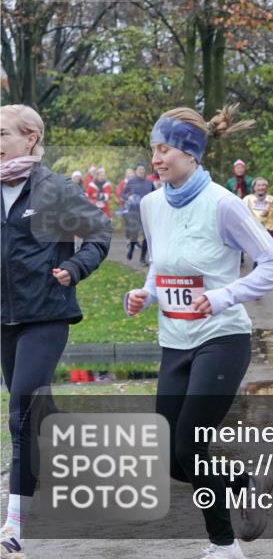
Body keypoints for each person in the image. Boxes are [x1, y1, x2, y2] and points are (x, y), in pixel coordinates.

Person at [124, 104, 273, 559]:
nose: (156, 159)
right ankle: (243, 483)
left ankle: (223, 546)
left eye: (165, 149)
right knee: (172, 458)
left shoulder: (223, 204)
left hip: (222, 339)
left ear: (191, 153)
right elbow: (161, 265)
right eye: (153, 149)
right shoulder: (152, 204)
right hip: (173, 341)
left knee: (190, 446)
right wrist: (146, 293)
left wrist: (223, 296)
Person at [1, 105, 112, 558]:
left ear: (31, 138)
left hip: (46, 314)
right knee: (40, 418)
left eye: (2, 132)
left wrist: (74, 266)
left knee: (20, 412)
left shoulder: (54, 189)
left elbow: (100, 233)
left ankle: (13, 527)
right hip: (4, 318)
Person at [124, 163, 156, 264]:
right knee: (134, 235)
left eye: (143, 169)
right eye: (139, 170)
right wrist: (128, 197)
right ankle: (131, 249)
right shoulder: (131, 182)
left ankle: (142, 258)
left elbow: (155, 194)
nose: (141, 171)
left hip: (146, 212)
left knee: (147, 235)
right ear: (136, 171)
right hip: (134, 211)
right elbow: (122, 194)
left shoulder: (149, 183)